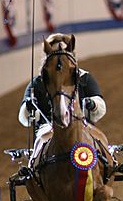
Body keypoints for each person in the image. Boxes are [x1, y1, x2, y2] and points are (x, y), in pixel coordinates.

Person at [18, 33, 106, 164]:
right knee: (41, 142)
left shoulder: (84, 79)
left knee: (99, 140)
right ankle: (35, 169)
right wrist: (28, 108)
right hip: (47, 127)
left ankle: (107, 165)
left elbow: (100, 105)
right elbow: (24, 117)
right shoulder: (36, 83)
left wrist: (93, 104)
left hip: (82, 126)